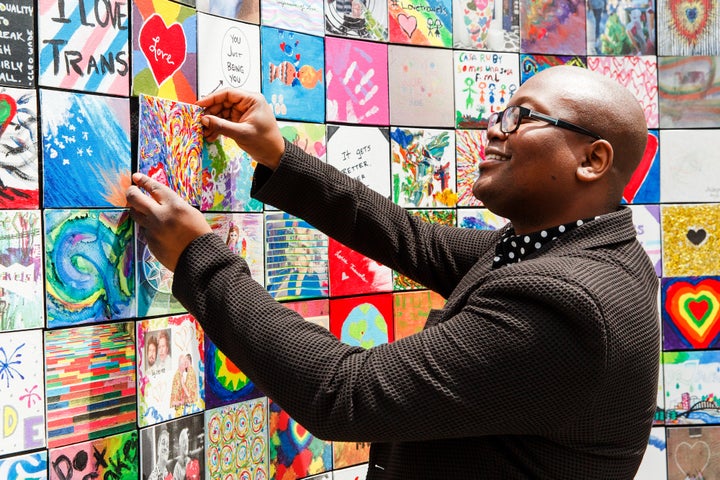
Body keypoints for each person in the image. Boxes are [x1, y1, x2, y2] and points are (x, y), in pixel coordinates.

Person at [126, 65, 660, 479]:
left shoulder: (568, 306)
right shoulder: (576, 248)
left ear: (592, 160)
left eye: (520, 117)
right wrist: (279, 155)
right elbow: (414, 240)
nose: (492, 129)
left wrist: (201, 257)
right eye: (499, 113)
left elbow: (342, 392)